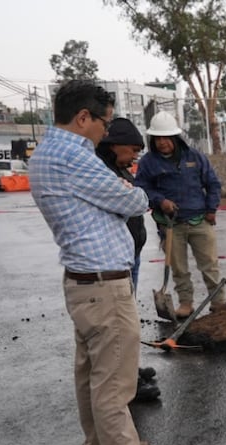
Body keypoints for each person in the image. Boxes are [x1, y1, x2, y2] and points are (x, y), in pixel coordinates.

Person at [28, 79, 180, 445]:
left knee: (91, 374)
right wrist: (134, 195)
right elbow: (131, 201)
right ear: (83, 118)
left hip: (83, 283)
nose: (106, 132)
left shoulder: (49, 154)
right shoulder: (73, 156)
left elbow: (122, 196)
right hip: (103, 286)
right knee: (114, 382)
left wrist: (128, 194)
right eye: (104, 122)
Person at [95, 116, 161, 404]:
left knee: (127, 318)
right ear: (114, 145)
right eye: (132, 149)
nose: (135, 155)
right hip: (114, 261)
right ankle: (127, 384)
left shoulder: (119, 168)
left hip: (129, 256)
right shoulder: (102, 171)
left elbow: (139, 199)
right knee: (120, 324)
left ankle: (130, 371)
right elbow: (135, 200)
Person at [135, 111, 225, 319]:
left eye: (166, 138)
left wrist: (211, 210)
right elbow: (141, 188)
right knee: (179, 267)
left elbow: (213, 184)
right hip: (170, 224)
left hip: (199, 219)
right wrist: (160, 201)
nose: (162, 143)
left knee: (209, 264)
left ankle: (219, 302)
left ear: (175, 137)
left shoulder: (195, 157)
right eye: (158, 139)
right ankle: (186, 303)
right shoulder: (149, 162)